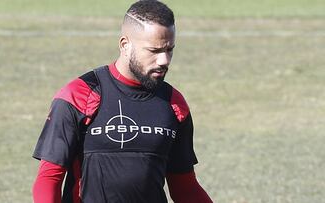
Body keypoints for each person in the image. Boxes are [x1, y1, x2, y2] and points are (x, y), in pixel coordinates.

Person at [32, 1, 213, 202]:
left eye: (169, 49)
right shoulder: (78, 95)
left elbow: (185, 186)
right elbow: (49, 179)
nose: (164, 60)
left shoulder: (174, 104)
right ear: (125, 45)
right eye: (154, 51)